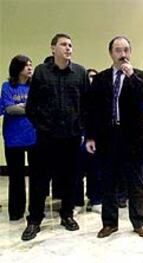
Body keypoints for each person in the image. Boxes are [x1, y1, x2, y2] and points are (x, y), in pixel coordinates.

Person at [22, 33, 89, 241]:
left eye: (70, 45)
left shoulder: (80, 73)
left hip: (70, 137)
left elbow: (86, 106)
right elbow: (31, 106)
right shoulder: (41, 72)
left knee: (69, 179)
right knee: (39, 180)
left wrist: (80, 127)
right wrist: (41, 126)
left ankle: (67, 215)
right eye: (63, 44)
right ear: (53, 49)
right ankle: (34, 220)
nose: (68, 48)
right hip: (46, 138)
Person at [85, 36, 143, 239]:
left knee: (136, 182)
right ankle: (109, 223)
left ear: (130, 53)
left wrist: (132, 76)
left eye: (126, 50)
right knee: (108, 182)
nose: (122, 54)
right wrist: (90, 136)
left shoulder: (139, 75)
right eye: (118, 50)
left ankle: (140, 222)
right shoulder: (101, 78)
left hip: (133, 138)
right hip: (108, 138)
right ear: (111, 53)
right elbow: (91, 110)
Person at [1, 55, 36, 221]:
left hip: (34, 135)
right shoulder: (7, 86)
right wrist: (28, 108)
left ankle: (35, 210)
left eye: (31, 65)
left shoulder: (35, 86)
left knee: (36, 175)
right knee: (16, 176)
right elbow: (9, 109)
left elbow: (39, 107)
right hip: (13, 137)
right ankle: (16, 211)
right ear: (17, 68)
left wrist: (22, 107)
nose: (30, 68)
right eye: (26, 65)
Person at [74, 68, 102, 214]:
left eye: (94, 77)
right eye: (89, 77)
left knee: (95, 171)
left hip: (95, 140)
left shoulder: (101, 99)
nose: (92, 80)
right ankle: (77, 202)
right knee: (77, 173)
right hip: (78, 138)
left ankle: (95, 199)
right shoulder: (78, 97)